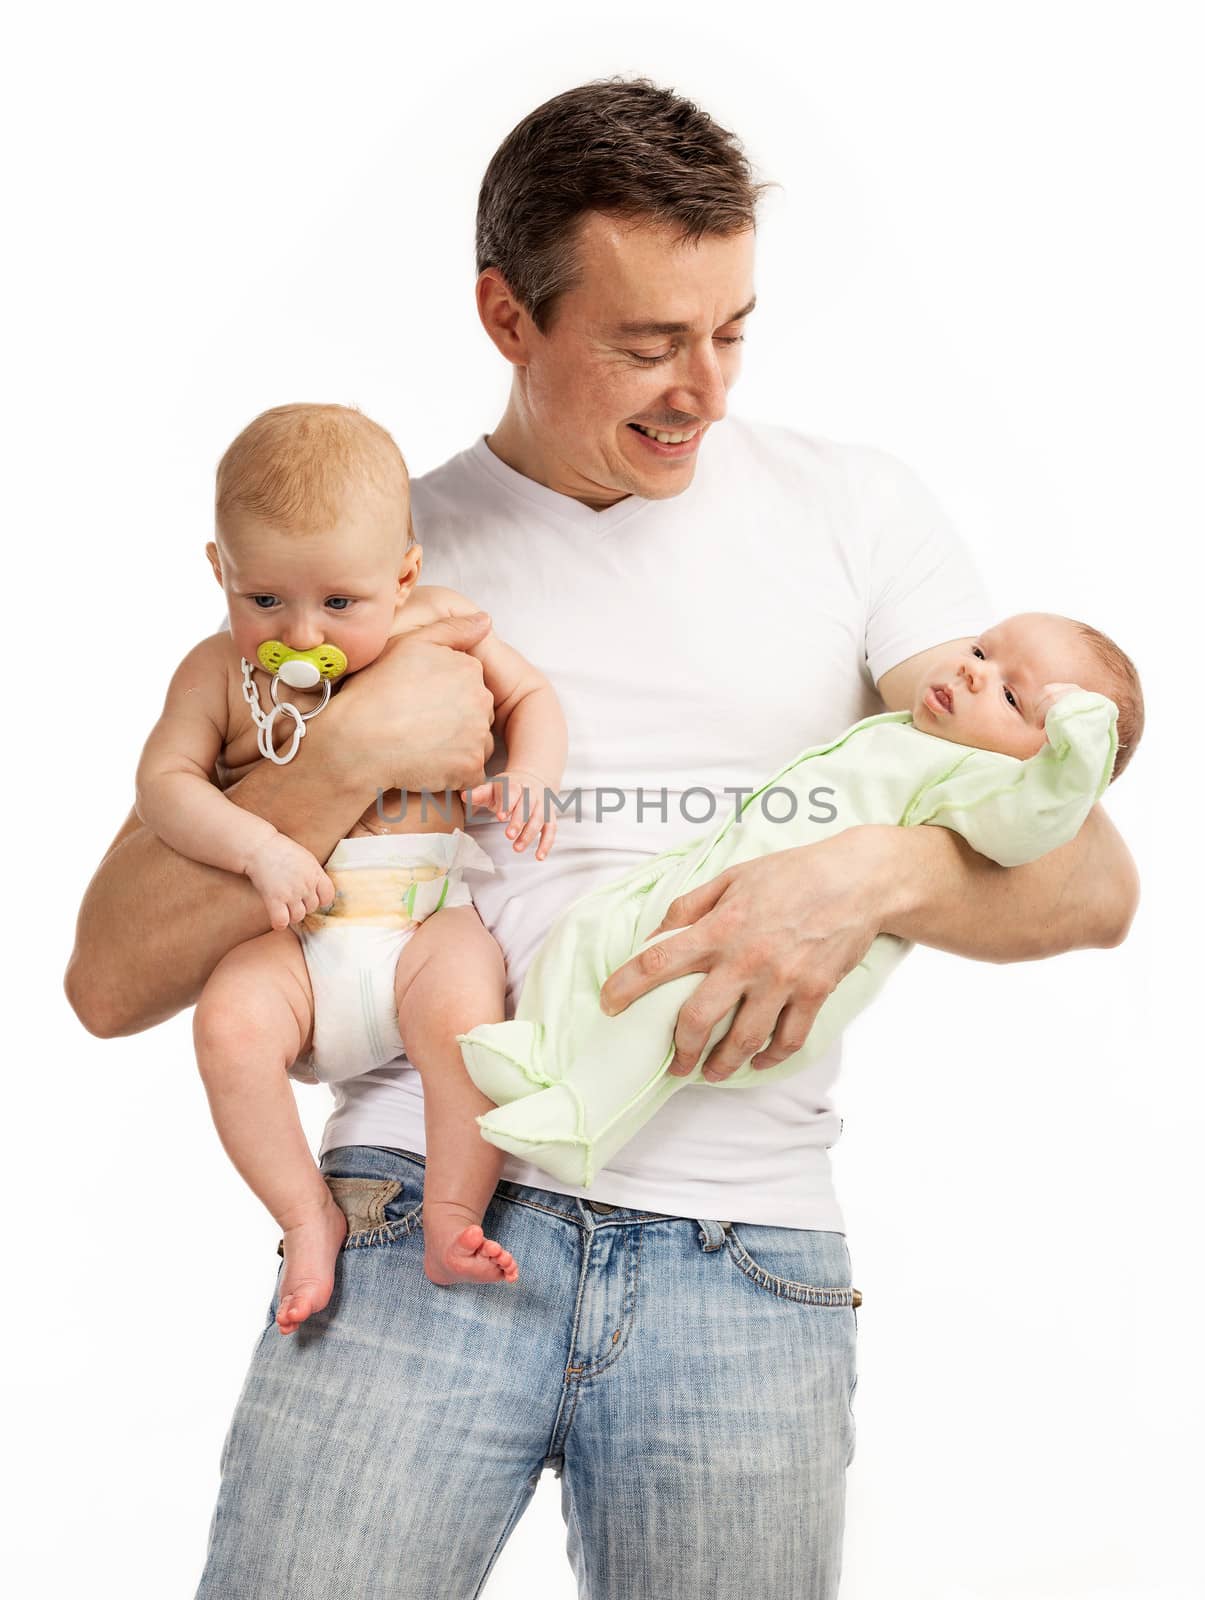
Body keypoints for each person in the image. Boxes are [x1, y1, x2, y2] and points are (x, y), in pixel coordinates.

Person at [65, 79, 1140, 1599]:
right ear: (507, 315)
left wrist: (862, 877)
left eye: (731, 332)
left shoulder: (855, 517)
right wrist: (352, 754)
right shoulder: (360, 568)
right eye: (646, 343)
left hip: (745, 1259)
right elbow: (108, 980)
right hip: (413, 1221)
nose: (702, 388)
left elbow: (1089, 882)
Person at [134, 402, 567, 1326]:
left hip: (420, 923)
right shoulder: (216, 675)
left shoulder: (440, 622)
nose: (301, 631)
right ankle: (305, 1214)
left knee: (465, 1017)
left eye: (340, 602)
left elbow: (529, 692)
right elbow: (165, 785)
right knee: (227, 1030)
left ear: (403, 575)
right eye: (264, 601)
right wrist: (257, 846)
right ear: (220, 571)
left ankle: (451, 1217)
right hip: (299, 943)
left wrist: (530, 773)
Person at [460, 612, 1142, 1186]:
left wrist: (1075, 749)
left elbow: (1036, 825)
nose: (972, 671)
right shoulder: (906, 733)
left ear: (1041, 757)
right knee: (587, 927)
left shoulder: (982, 783)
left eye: (1014, 698)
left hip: (773, 973)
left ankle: (586, 1123)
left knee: (668, 1008)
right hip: (703, 887)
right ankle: (541, 1054)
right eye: (980, 650)